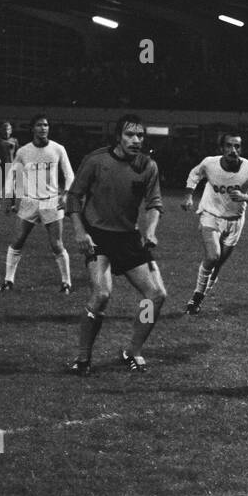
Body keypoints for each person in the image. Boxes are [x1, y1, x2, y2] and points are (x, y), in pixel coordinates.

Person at [64, 114, 166, 375]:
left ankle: (133, 350)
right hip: (97, 235)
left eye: (140, 136)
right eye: (130, 135)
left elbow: (154, 203)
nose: (136, 140)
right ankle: (83, 359)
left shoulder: (148, 166)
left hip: (128, 238)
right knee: (102, 294)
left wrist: (151, 231)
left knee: (155, 296)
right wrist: (79, 232)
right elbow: (74, 196)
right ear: (118, 137)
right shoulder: (96, 160)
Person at [181, 133, 248, 315]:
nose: (233, 150)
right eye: (229, 146)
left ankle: (200, 297)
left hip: (234, 221)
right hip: (210, 215)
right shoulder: (209, 163)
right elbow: (194, 174)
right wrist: (188, 195)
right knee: (213, 256)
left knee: (217, 265)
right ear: (221, 148)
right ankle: (196, 297)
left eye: (237, 147)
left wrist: (245, 197)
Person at [0, 113, 75, 294]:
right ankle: (8, 281)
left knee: (57, 244)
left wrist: (66, 194)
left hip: (51, 202)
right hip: (29, 201)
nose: (43, 128)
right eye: (39, 125)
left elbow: (70, 174)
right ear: (32, 128)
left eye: (46, 125)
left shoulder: (58, 149)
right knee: (17, 241)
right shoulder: (23, 151)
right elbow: (12, 174)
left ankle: (66, 283)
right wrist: (7, 197)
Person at [0, 121, 19, 213]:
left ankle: (13, 206)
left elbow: (18, 153)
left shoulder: (15, 140)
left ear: (11, 131)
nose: (6, 131)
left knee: (12, 188)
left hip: (11, 166)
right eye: (4, 129)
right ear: (1, 130)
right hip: (1, 166)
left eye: (8, 129)